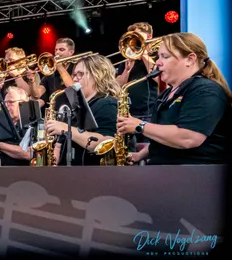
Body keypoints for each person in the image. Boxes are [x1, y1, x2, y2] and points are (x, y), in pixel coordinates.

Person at [117, 33, 231, 165]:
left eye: (165, 57)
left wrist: (140, 125)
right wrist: (140, 155)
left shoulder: (206, 90)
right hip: (167, 170)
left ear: (190, 59)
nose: (158, 62)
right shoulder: (167, 94)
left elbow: (189, 138)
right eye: (158, 57)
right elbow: (165, 136)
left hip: (194, 172)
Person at [45, 54, 119, 166]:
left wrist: (65, 128)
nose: (74, 79)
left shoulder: (107, 103)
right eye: (74, 75)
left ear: (97, 75)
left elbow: (106, 142)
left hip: (92, 172)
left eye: (80, 74)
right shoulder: (77, 106)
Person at [115, 22, 159, 122]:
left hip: (149, 112)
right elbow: (118, 85)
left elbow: (159, 78)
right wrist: (126, 71)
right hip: (129, 111)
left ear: (149, 36)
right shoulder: (129, 58)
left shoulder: (157, 57)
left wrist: (144, 54)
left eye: (138, 36)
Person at [0, 87, 32, 166]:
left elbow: (29, 154)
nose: (6, 106)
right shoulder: (0, 123)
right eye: (5, 103)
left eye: (10, 102)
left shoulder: (33, 123)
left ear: (23, 103)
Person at [38, 38, 76, 109]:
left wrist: (59, 67)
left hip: (73, 110)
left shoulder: (77, 67)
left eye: (61, 49)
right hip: (55, 111)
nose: (57, 52)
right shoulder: (52, 71)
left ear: (71, 52)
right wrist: (32, 81)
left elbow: (74, 89)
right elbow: (38, 94)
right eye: (56, 50)